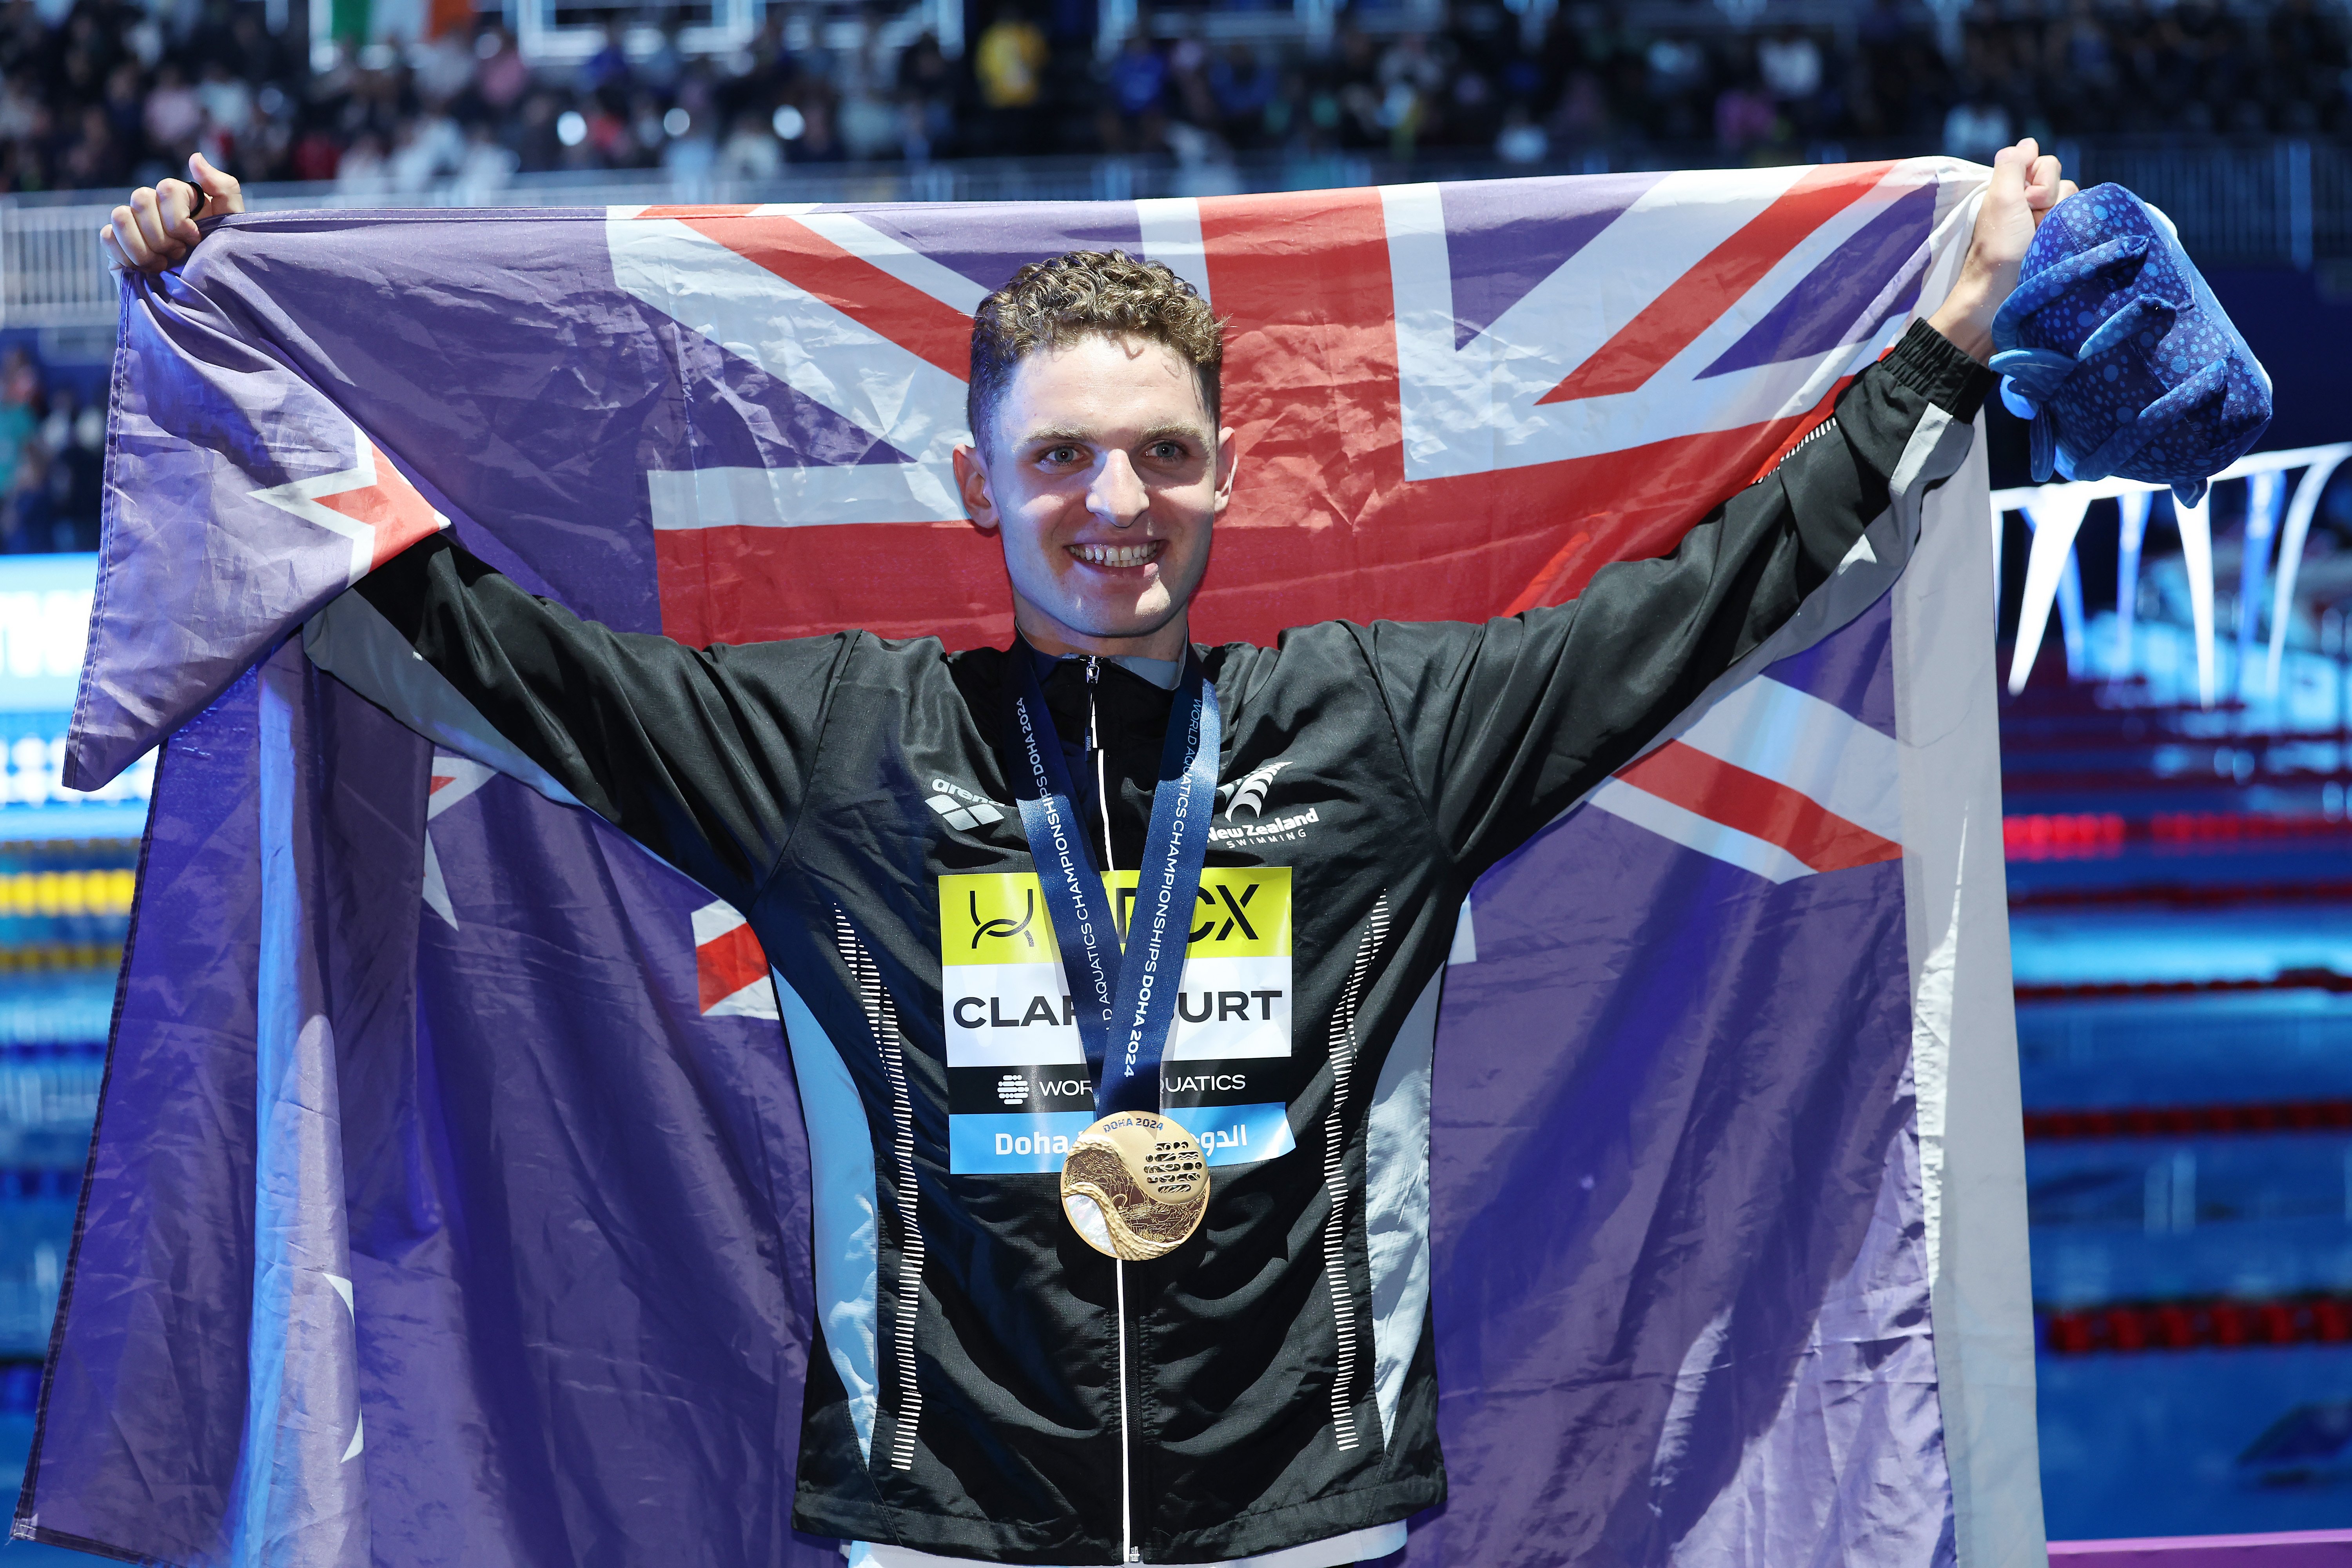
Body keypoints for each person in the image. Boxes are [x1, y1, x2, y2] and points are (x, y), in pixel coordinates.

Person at [106, 144, 2071, 1568]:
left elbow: (1706, 604)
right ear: (981, 483)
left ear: (1229, 474)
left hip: (1300, 1527)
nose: (1112, 502)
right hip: (945, 1534)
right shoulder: (842, 752)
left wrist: (1951, 341)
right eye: (1059, 456)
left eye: (1158, 454)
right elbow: (488, 647)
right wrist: (230, 352)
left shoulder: (1374, 736)